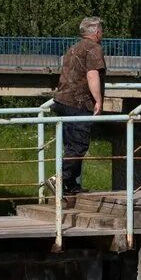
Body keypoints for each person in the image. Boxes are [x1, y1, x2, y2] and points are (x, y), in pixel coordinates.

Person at [45, 16, 106, 197]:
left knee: (70, 144)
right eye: (101, 30)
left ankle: (71, 185)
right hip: (79, 102)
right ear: (96, 32)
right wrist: (98, 100)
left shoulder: (73, 48)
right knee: (78, 145)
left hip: (62, 101)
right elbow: (92, 75)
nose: (102, 33)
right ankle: (60, 179)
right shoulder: (94, 49)